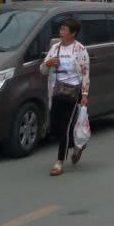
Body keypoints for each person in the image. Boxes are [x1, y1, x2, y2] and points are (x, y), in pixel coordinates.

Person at [41, 17, 90, 176]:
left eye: (64, 30)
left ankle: (59, 162)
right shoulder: (55, 48)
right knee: (55, 127)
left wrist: (84, 94)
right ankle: (78, 145)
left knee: (65, 126)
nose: (61, 32)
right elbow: (42, 69)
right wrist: (48, 64)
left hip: (73, 92)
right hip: (56, 91)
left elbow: (85, 73)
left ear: (73, 33)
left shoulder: (79, 49)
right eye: (60, 29)